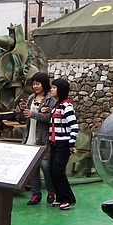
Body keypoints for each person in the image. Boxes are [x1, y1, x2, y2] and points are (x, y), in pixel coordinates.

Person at [21, 72, 57, 205]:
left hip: (43, 138)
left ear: (44, 84)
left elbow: (50, 118)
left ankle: (51, 190)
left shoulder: (50, 99)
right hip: (30, 137)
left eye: (38, 83)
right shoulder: (31, 98)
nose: (35, 86)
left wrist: (34, 114)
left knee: (45, 166)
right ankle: (35, 194)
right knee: (33, 169)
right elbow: (25, 117)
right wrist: (23, 111)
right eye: (34, 84)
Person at [48, 77, 79, 210]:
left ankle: (68, 198)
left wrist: (71, 143)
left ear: (60, 90)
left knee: (58, 170)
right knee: (52, 170)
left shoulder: (67, 106)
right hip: (54, 143)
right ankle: (60, 197)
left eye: (54, 88)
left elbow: (74, 126)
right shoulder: (56, 106)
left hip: (63, 143)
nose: (52, 89)